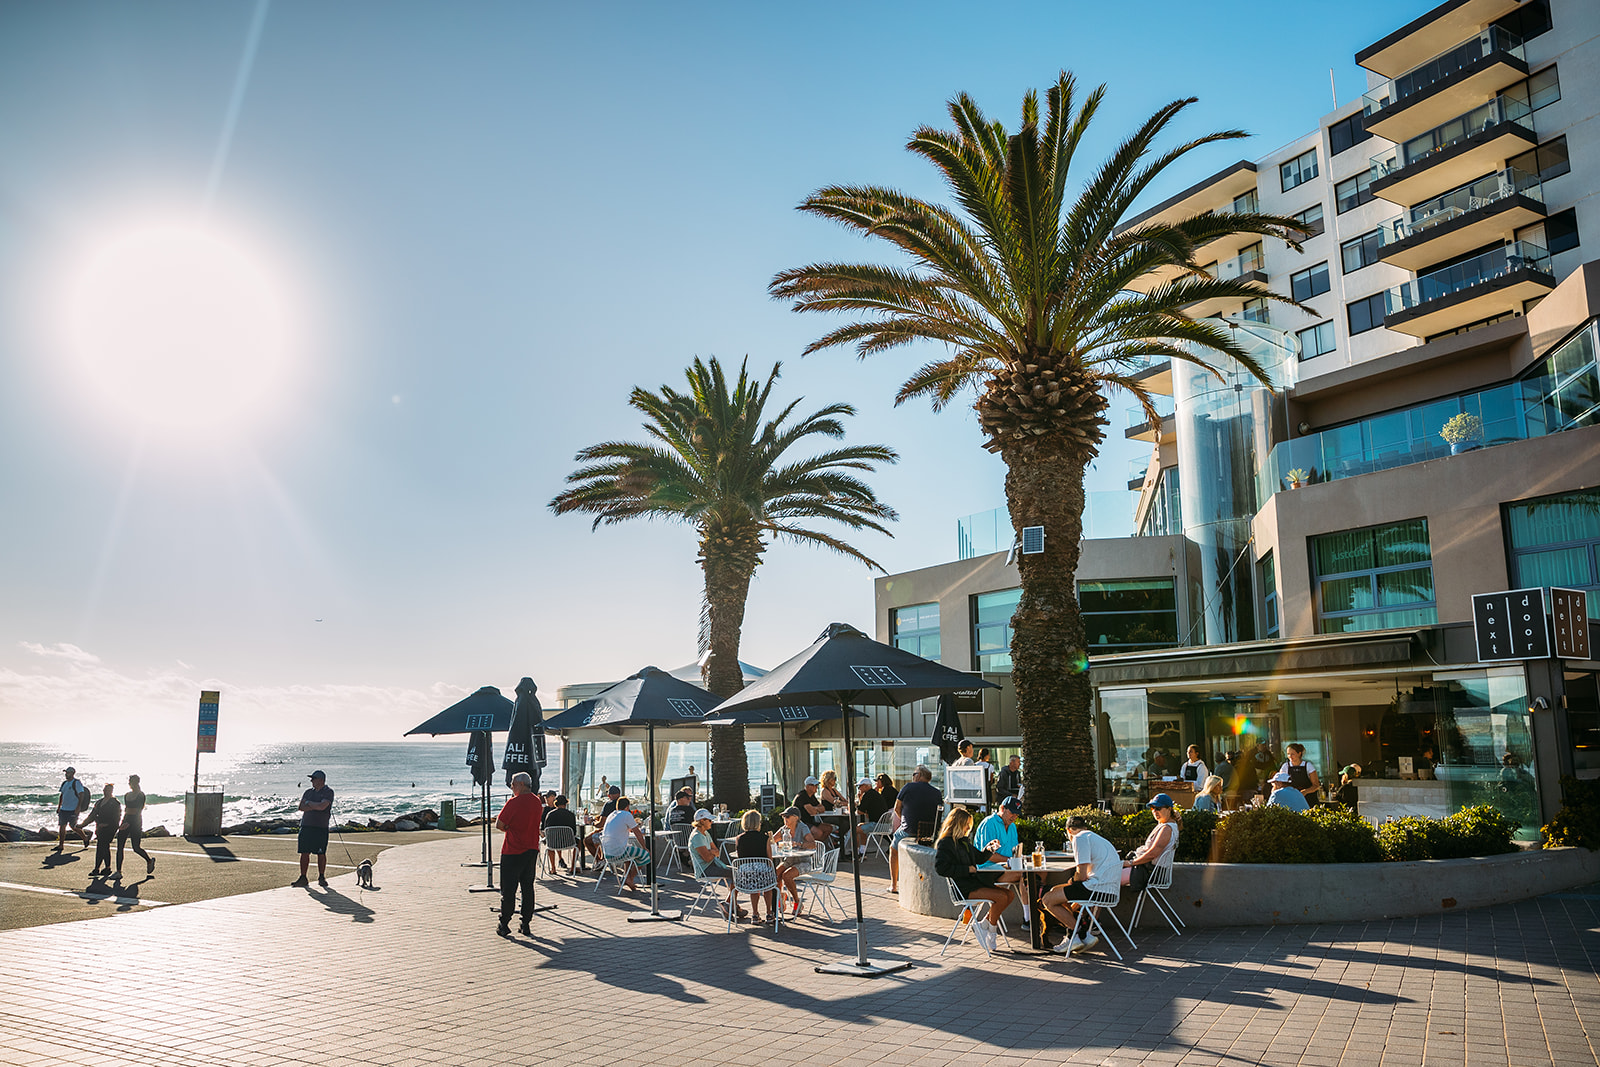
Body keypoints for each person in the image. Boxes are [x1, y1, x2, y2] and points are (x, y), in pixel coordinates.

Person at [933, 806, 1022, 954]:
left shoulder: (963, 841)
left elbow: (979, 857)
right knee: (1000, 897)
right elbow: (941, 868)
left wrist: (990, 849)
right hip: (963, 888)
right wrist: (966, 869)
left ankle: (983, 925)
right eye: (966, 824)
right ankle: (991, 931)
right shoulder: (946, 843)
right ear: (957, 824)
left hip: (974, 883)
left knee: (1009, 895)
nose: (968, 827)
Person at [1041, 814, 1122, 954]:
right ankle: (1081, 935)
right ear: (1085, 827)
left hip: (1095, 889)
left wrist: (1072, 880)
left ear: (1068, 831)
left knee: (1047, 899)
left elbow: (1082, 875)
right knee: (1056, 890)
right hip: (1109, 890)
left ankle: (1076, 935)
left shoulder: (1079, 838)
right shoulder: (1097, 838)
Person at [493, 771, 543, 935]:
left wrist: (508, 827)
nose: (511, 787)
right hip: (531, 849)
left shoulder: (514, 802)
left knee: (509, 890)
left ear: (521, 785)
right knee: (527, 888)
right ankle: (525, 924)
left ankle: (504, 923)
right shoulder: (537, 802)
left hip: (513, 850)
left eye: (513, 784)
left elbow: (500, 824)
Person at [975, 796, 1029, 928]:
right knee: (1025, 875)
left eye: (1017, 814)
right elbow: (987, 856)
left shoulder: (1012, 827)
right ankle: (1028, 918)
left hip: (1003, 868)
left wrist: (1019, 859)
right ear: (1002, 808)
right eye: (1012, 812)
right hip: (986, 869)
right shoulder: (989, 823)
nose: (1014, 816)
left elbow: (1013, 852)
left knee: (1033, 874)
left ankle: (1030, 917)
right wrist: (1011, 860)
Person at [889, 765, 942, 894]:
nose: (913, 777)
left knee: (893, 849)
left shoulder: (908, 787)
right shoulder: (936, 792)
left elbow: (897, 808)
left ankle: (894, 885)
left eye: (914, 774)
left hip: (909, 830)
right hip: (929, 832)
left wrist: (904, 820)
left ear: (918, 776)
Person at [687, 808, 743, 919]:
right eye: (709, 820)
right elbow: (708, 858)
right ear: (702, 821)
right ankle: (730, 904)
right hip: (705, 870)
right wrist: (712, 852)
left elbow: (716, 851)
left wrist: (711, 852)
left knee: (737, 872)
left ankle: (731, 904)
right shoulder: (697, 837)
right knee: (737, 874)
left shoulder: (705, 833)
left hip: (712, 865)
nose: (712, 822)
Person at [1122, 793, 1179, 890]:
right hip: (1148, 870)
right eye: (1152, 808)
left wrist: (1131, 862)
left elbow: (1152, 854)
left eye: (1158, 808)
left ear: (1169, 809)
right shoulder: (1166, 825)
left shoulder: (1166, 828)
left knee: (1107, 879)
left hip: (1150, 872)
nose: (1155, 811)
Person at [734, 809, 777, 922]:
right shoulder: (765, 838)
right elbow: (769, 859)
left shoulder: (739, 839)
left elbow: (740, 857)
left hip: (746, 876)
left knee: (754, 888)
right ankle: (769, 912)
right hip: (762, 872)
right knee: (768, 886)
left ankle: (755, 913)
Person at [598, 794, 650, 891]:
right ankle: (630, 878)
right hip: (618, 852)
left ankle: (627, 876)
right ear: (627, 807)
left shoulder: (611, 815)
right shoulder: (626, 814)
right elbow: (638, 833)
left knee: (629, 854)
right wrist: (644, 847)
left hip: (607, 854)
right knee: (645, 855)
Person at [292, 770, 334, 888]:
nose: (311, 781)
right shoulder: (308, 792)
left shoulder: (328, 792)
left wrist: (309, 804)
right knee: (304, 852)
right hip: (306, 825)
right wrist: (315, 805)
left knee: (321, 853)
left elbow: (322, 807)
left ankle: (321, 876)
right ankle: (303, 877)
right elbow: (301, 807)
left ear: (321, 780)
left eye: (313, 779)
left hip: (320, 827)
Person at [772, 806, 815, 915]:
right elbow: (772, 840)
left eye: (787, 816)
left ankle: (797, 902)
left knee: (787, 875)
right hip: (789, 860)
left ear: (796, 818)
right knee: (775, 874)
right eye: (783, 817)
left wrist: (799, 844)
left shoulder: (802, 827)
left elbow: (813, 844)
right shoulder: (784, 829)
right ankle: (781, 896)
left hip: (803, 861)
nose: (785, 819)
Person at [116, 774, 154, 878]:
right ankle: (118, 871)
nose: (130, 784)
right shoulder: (127, 795)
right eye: (129, 782)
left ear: (136, 782)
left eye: (131, 782)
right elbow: (127, 810)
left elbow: (138, 810)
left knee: (136, 847)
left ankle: (149, 861)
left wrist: (130, 822)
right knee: (120, 846)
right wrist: (122, 823)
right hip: (126, 819)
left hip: (136, 822)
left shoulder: (141, 795)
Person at [85, 784, 121, 878]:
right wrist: (82, 825)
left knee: (103, 845)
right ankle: (105, 868)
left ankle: (99, 868)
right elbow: (92, 815)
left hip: (110, 828)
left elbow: (117, 817)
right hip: (100, 828)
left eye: (108, 790)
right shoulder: (99, 802)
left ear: (111, 791)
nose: (106, 792)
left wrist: (108, 824)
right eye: (105, 790)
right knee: (102, 846)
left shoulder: (115, 803)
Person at [54, 767, 92, 852]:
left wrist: (78, 807)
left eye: (68, 773)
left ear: (72, 773)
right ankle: (61, 845)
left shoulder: (76, 783)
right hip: (64, 809)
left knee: (73, 826)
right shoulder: (64, 783)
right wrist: (59, 807)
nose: (66, 774)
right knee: (62, 826)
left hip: (73, 809)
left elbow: (81, 794)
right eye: (66, 773)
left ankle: (85, 838)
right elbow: (62, 795)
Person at [541, 794, 579, 873]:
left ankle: (553, 868)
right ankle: (572, 867)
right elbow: (574, 832)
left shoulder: (550, 814)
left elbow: (546, 830)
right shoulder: (571, 815)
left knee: (549, 843)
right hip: (568, 842)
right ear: (565, 804)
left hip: (553, 843)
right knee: (580, 843)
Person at [795, 776, 836, 846]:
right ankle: (808, 847)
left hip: (810, 821)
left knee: (828, 828)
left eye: (817, 785)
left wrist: (815, 808)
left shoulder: (812, 796)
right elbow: (812, 812)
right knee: (818, 833)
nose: (816, 787)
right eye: (814, 785)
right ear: (807, 786)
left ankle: (815, 846)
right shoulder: (802, 796)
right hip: (801, 823)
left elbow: (823, 808)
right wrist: (816, 809)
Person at [852, 777, 889, 855]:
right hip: (885, 825)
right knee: (860, 825)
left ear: (866, 786)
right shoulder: (875, 794)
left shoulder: (868, 795)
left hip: (877, 825)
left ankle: (855, 852)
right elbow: (867, 814)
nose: (859, 788)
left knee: (854, 830)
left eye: (860, 786)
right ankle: (862, 851)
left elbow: (859, 811)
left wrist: (859, 799)